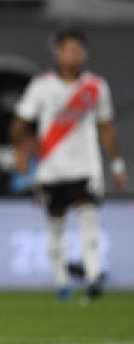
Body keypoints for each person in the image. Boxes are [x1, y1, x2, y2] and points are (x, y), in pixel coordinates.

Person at [11, 27, 125, 302]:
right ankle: (61, 281)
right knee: (56, 225)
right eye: (68, 49)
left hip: (86, 166)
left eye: (78, 49)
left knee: (89, 220)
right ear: (57, 53)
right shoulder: (42, 86)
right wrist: (21, 152)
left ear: (84, 53)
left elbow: (106, 128)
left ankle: (94, 277)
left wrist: (117, 165)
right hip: (52, 167)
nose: (73, 54)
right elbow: (20, 123)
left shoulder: (95, 86)